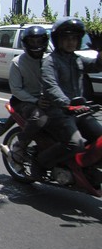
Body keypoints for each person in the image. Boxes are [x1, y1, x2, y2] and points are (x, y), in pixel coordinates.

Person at [38, 17, 102, 170]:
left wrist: (100, 52)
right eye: (66, 38)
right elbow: (51, 87)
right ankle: (40, 163)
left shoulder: (77, 60)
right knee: (76, 144)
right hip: (58, 113)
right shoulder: (50, 62)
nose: (70, 42)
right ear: (57, 40)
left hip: (79, 111)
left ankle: (86, 167)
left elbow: (97, 66)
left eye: (74, 38)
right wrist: (67, 103)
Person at [8, 25, 50, 163]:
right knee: (40, 118)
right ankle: (20, 146)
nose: (36, 45)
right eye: (32, 41)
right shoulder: (17, 62)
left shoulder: (50, 60)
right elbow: (16, 90)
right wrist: (35, 101)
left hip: (48, 99)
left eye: (39, 41)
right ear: (26, 43)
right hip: (23, 101)